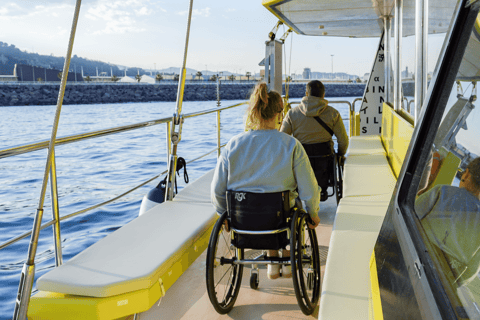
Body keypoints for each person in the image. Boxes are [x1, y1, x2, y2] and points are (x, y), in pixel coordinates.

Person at [211, 82, 321, 279]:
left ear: (255, 112)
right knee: (291, 204)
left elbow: (217, 190)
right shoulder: (291, 145)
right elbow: (309, 189)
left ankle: (272, 262)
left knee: (265, 204)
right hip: (279, 221)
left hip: (243, 222)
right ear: (280, 115)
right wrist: (313, 213)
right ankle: (286, 261)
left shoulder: (233, 145)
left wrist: (223, 214)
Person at [415, 157, 480, 286]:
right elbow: (472, 270)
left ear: (466, 174)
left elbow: (411, 214)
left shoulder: (441, 191)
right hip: (442, 277)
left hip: (416, 253)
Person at [280, 80, 349, 201]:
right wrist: (340, 154)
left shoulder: (292, 114)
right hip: (325, 166)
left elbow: (281, 140)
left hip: (300, 164)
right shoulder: (333, 113)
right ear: (323, 95)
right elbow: (343, 141)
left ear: (306, 93)